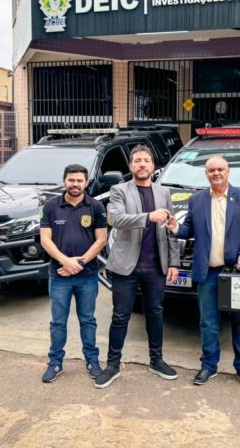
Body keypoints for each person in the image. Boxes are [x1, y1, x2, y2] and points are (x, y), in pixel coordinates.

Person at [167, 155, 240, 388]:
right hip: (207, 272)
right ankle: (209, 365)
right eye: (211, 170)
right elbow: (189, 230)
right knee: (208, 322)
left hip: (235, 272)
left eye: (220, 169)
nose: (216, 173)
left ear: (228, 172)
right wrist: (176, 227)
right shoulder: (197, 200)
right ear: (206, 174)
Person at [95, 145, 181, 389]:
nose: (142, 164)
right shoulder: (119, 190)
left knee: (155, 313)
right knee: (120, 315)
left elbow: (171, 229)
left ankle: (156, 360)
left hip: (155, 266)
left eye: (146, 160)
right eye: (137, 161)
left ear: (153, 166)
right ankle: (112, 365)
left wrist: (173, 262)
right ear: (130, 166)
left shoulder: (163, 192)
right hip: (126, 266)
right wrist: (148, 217)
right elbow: (116, 219)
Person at [40, 164, 107, 383]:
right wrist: (65, 261)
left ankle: (92, 360)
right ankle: (55, 362)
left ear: (86, 183)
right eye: (71, 180)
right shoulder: (51, 206)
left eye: (79, 180)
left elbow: (101, 240)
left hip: (87, 276)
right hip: (59, 275)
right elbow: (45, 239)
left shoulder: (96, 206)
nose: (75, 184)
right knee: (58, 322)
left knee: (87, 320)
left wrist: (79, 262)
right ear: (64, 181)